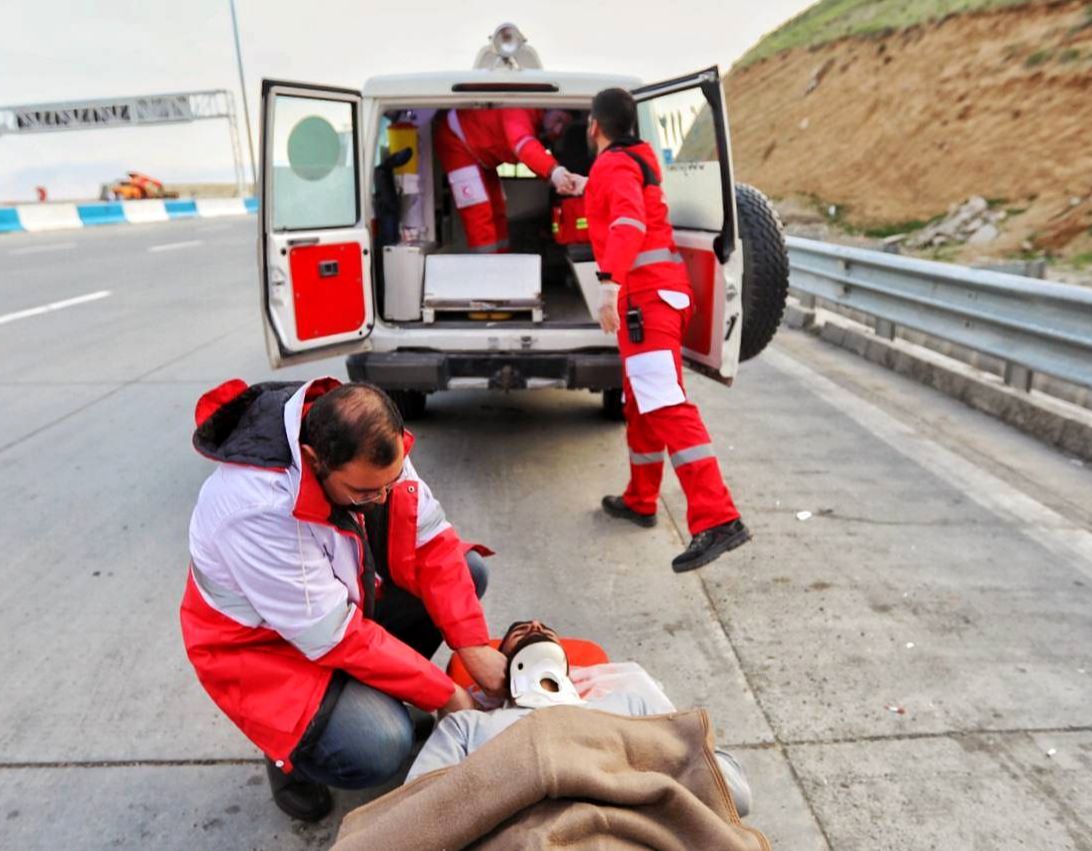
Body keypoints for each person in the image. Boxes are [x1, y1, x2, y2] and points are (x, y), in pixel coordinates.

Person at [179, 378, 507, 822]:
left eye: (390, 482)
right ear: (315, 460)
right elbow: (335, 637)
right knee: (382, 743)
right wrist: (445, 693)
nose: (382, 498)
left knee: (467, 572)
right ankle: (287, 757)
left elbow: (431, 544)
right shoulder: (254, 509)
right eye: (366, 492)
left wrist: (473, 645)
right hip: (263, 650)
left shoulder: (368, 446)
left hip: (333, 609)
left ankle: (366, 699)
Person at [583, 87, 750, 573]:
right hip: (663, 296)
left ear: (595, 126)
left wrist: (609, 285)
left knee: (665, 406)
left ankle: (718, 517)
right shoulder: (638, 159)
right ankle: (640, 498)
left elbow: (629, 224)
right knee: (641, 403)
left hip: (644, 302)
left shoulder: (613, 166)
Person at [405, 620, 752, 817]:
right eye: (520, 630)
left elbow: (734, 794)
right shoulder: (468, 725)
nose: (535, 625)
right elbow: (414, 812)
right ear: (497, 670)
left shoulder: (628, 702)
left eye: (544, 629)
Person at [434, 107, 580, 253]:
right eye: (558, 120)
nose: (558, 130)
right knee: (479, 216)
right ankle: (487, 271)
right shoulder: (519, 111)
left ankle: (503, 262)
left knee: (498, 209)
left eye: (564, 126)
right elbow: (523, 145)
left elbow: (529, 154)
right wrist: (554, 171)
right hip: (456, 142)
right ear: (548, 109)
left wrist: (553, 178)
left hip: (483, 156)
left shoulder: (535, 120)